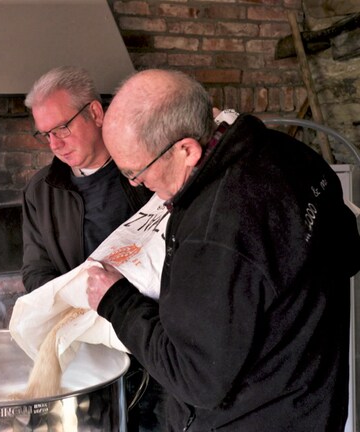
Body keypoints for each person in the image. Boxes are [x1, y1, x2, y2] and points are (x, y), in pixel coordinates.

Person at [87, 68, 360, 431]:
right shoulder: (291, 152)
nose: (138, 184)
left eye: (137, 172)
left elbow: (196, 378)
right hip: (314, 402)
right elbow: (348, 252)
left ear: (187, 149)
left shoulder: (216, 232)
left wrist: (115, 301)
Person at [20, 66, 160, 432]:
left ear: (95, 114)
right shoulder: (41, 190)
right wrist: (76, 301)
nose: (55, 143)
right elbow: (36, 270)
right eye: (45, 133)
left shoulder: (147, 172)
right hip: (87, 351)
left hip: (152, 342)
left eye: (62, 128)